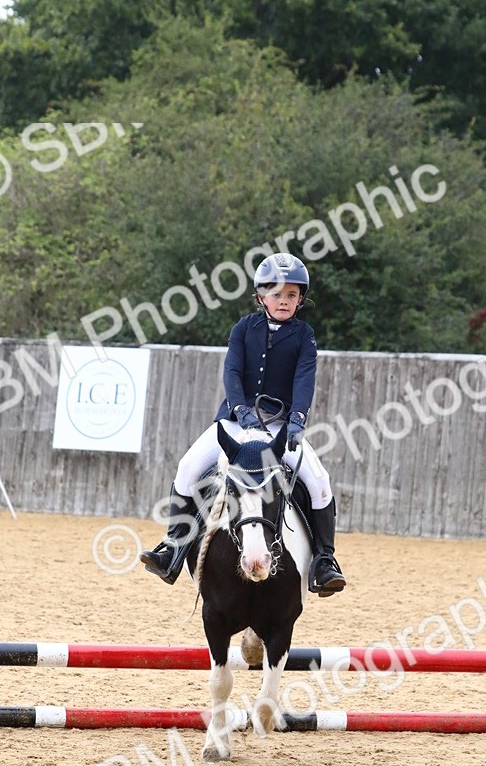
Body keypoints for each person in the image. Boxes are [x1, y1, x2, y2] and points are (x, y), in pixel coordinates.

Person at [139, 252, 346, 595]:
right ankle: (173, 547)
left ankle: (325, 560)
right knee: (188, 466)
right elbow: (232, 372)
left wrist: (296, 420)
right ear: (261, 296)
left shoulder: (305, 336)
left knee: (319, 480)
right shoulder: (242, 329)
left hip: (280, 428)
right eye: (277, 294)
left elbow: (304, 380)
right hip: (236, 421)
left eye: (292, 295)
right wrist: (242, 410)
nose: (284, 300)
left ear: (300, 300)